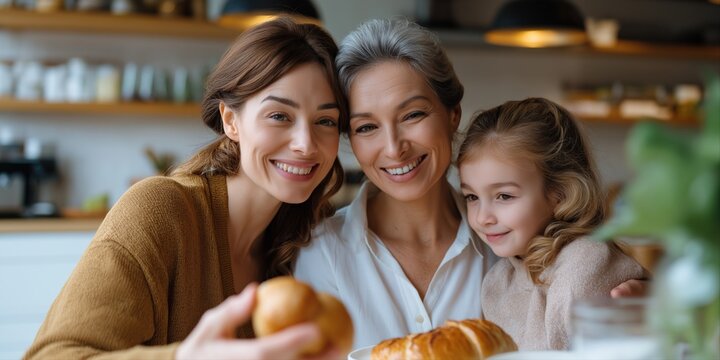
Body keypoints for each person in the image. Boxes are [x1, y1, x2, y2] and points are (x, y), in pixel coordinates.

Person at [294, 18, 648, 351]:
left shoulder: (513, 243)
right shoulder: (323, 253)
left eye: (413, 115)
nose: (393, 148)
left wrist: (655, 305)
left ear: (453, 115)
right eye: (366, 127)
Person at [25, 18, 346, 360]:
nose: (305, 144)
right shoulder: (159, 210)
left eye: (325, 121)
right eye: (279, 116)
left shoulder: (307, 239)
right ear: (230, 120)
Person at [457, 97, 649, 350]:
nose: (483, 217)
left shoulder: (584, 266)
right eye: (472, 197)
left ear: (560, 195)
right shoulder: (497, 281)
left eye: (504, 196)